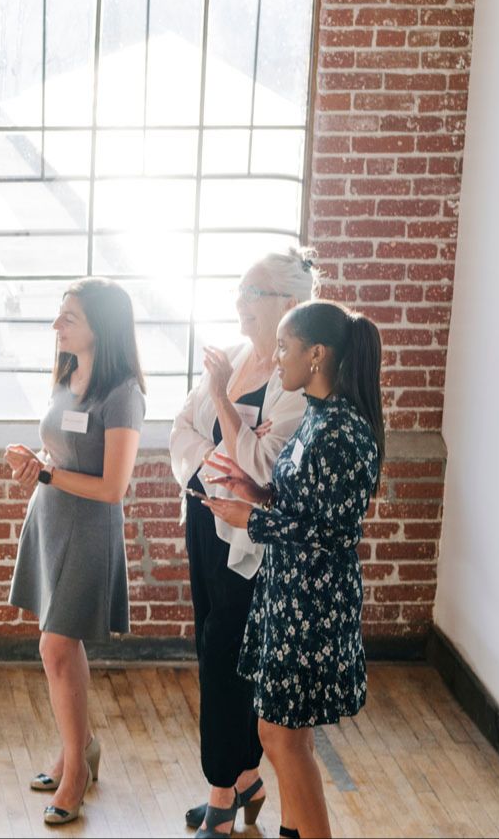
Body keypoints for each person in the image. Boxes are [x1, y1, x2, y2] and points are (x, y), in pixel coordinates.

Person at [203, 301, 385, 839]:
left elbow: (335, 534)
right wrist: (254, 491)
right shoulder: (316, 416)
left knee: (282, 737)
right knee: (283, 734)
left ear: (317, 354)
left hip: (313, 602)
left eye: (284, 347)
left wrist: (253, 520)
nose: (276, 358)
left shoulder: (343, 433)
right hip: (289, 593)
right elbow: (304, 505)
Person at [170, 250, 315, 837]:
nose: (239, 302)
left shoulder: (292, 381)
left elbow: (265, 465)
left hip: (249, 539)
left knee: (226, 652)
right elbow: (182, 429)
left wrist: (225, 407)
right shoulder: (227, 357)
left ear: (289, 304)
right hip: (204, 516)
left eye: (252, 291)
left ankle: (222, 792)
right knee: (211, 644)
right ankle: (244, 779)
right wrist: (221, 460)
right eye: (239, 289)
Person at [5, 277, 146, 826]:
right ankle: (77, 748)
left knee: (56, 648)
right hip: (51, 516)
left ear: (100, 329)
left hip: (88, 527)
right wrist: (35, 459)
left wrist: (47, 471)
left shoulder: (123, 391)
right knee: (59, 644)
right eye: (60, 315)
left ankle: (77, 773)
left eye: (70, 318)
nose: (56, 326)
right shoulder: (67, 369)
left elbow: (113, 487)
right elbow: (62, 447)